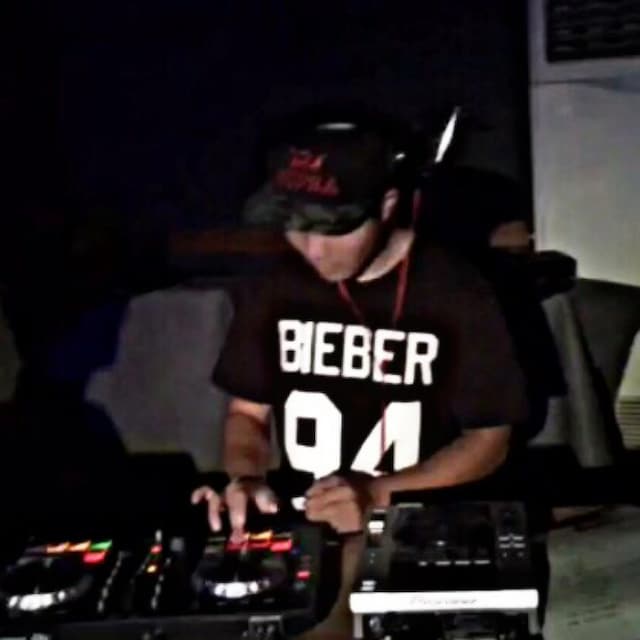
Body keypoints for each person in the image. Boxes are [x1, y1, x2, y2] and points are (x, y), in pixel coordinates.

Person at [191, 107, 531, 541]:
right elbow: (247, 414)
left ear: (387, 205)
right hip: (311, 526)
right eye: (295, 225)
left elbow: (489, 440)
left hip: (419, 527)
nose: (313, 249)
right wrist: (247, 478)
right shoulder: (276, 286)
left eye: (334, 229)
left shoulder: (458, 291)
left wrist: (376, 494)